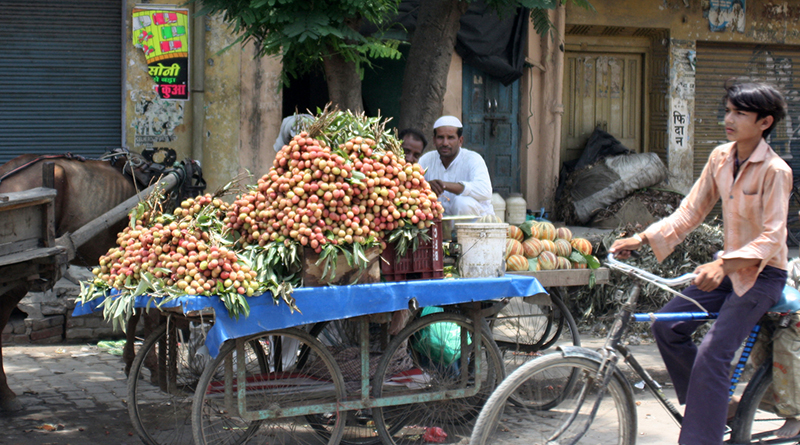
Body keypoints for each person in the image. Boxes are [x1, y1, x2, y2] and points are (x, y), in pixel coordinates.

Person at [609, 81, 791, 445]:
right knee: (665, 325)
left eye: (740, 113)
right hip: (725, 270)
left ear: (765, 122)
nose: (729, 119)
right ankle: (714, 407)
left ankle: (699, 437)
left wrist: (724, 265)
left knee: (713, 354)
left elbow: (772, 237)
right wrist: (642, 237)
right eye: (727, 110)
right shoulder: (720, 158)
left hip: (763, 275)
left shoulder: (776, 170)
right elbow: (690, 211)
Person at [418, 115, 493, 217]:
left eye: (450, 138)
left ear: (460, 141)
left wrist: (445, 185)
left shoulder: (473, 159)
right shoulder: (426, 159)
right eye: (440, 137)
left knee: (462, 203)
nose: (445, 143)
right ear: (434, 140)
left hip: (477, 225)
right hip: (441, 224)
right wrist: (426, 186)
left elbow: (485, 191)